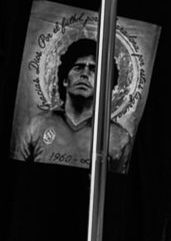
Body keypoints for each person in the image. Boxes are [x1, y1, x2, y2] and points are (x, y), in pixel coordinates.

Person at [14, 37, 132, 172]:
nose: (85, 74)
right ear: (65, 80)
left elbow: (116, 182)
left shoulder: (119, 137)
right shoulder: (37, 126)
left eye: (94, 70)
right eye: (78, 68)